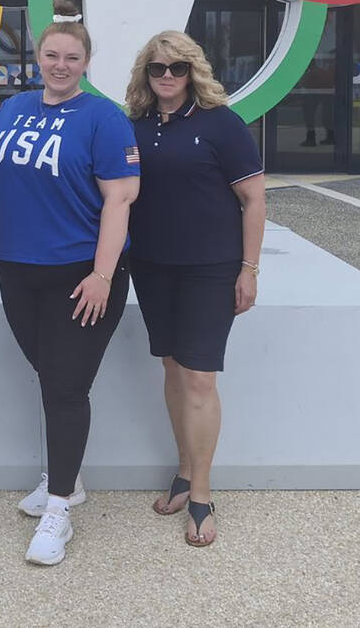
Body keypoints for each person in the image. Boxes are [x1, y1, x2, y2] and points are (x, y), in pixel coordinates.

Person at [0, 0, 139, 566]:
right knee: (49, 375)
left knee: (66, 388)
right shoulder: (13, 107)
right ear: (37, 57)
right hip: (16, 269)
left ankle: (60, 508)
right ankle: (65, 477)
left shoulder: (103, 117)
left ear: (87, 62)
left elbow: (120, 198)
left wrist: (103, 273)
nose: (60, 65)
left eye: (72, 57)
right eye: (51, 55)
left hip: (80, 276)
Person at [124, 31, 265, 547]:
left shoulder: (221, 124)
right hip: (153, 266)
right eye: (157, 69)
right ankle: (184, 470)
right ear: (146, 74)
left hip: (210, 268)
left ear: (193, 72)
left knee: (200, 378)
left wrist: (248, 269)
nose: (167, 77)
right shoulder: (133, 126)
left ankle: (202, 494)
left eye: (177, 68)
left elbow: (254, 199)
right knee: (172, 368)